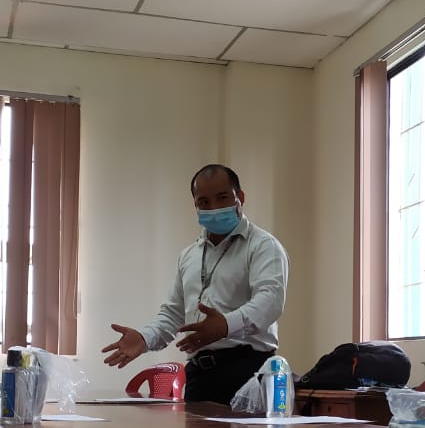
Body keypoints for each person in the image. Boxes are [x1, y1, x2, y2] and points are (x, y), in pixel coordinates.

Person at [102, 164, 290, 404]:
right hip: (199, 376)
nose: (214, 208)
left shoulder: (263, 246)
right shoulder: (189, 255)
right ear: (196, 205)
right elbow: (173, 314)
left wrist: (226, 325)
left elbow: (270, 301)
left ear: (240, 197)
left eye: (222, 198)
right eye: (204, 202)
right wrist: (145, 338)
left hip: (247, 372)